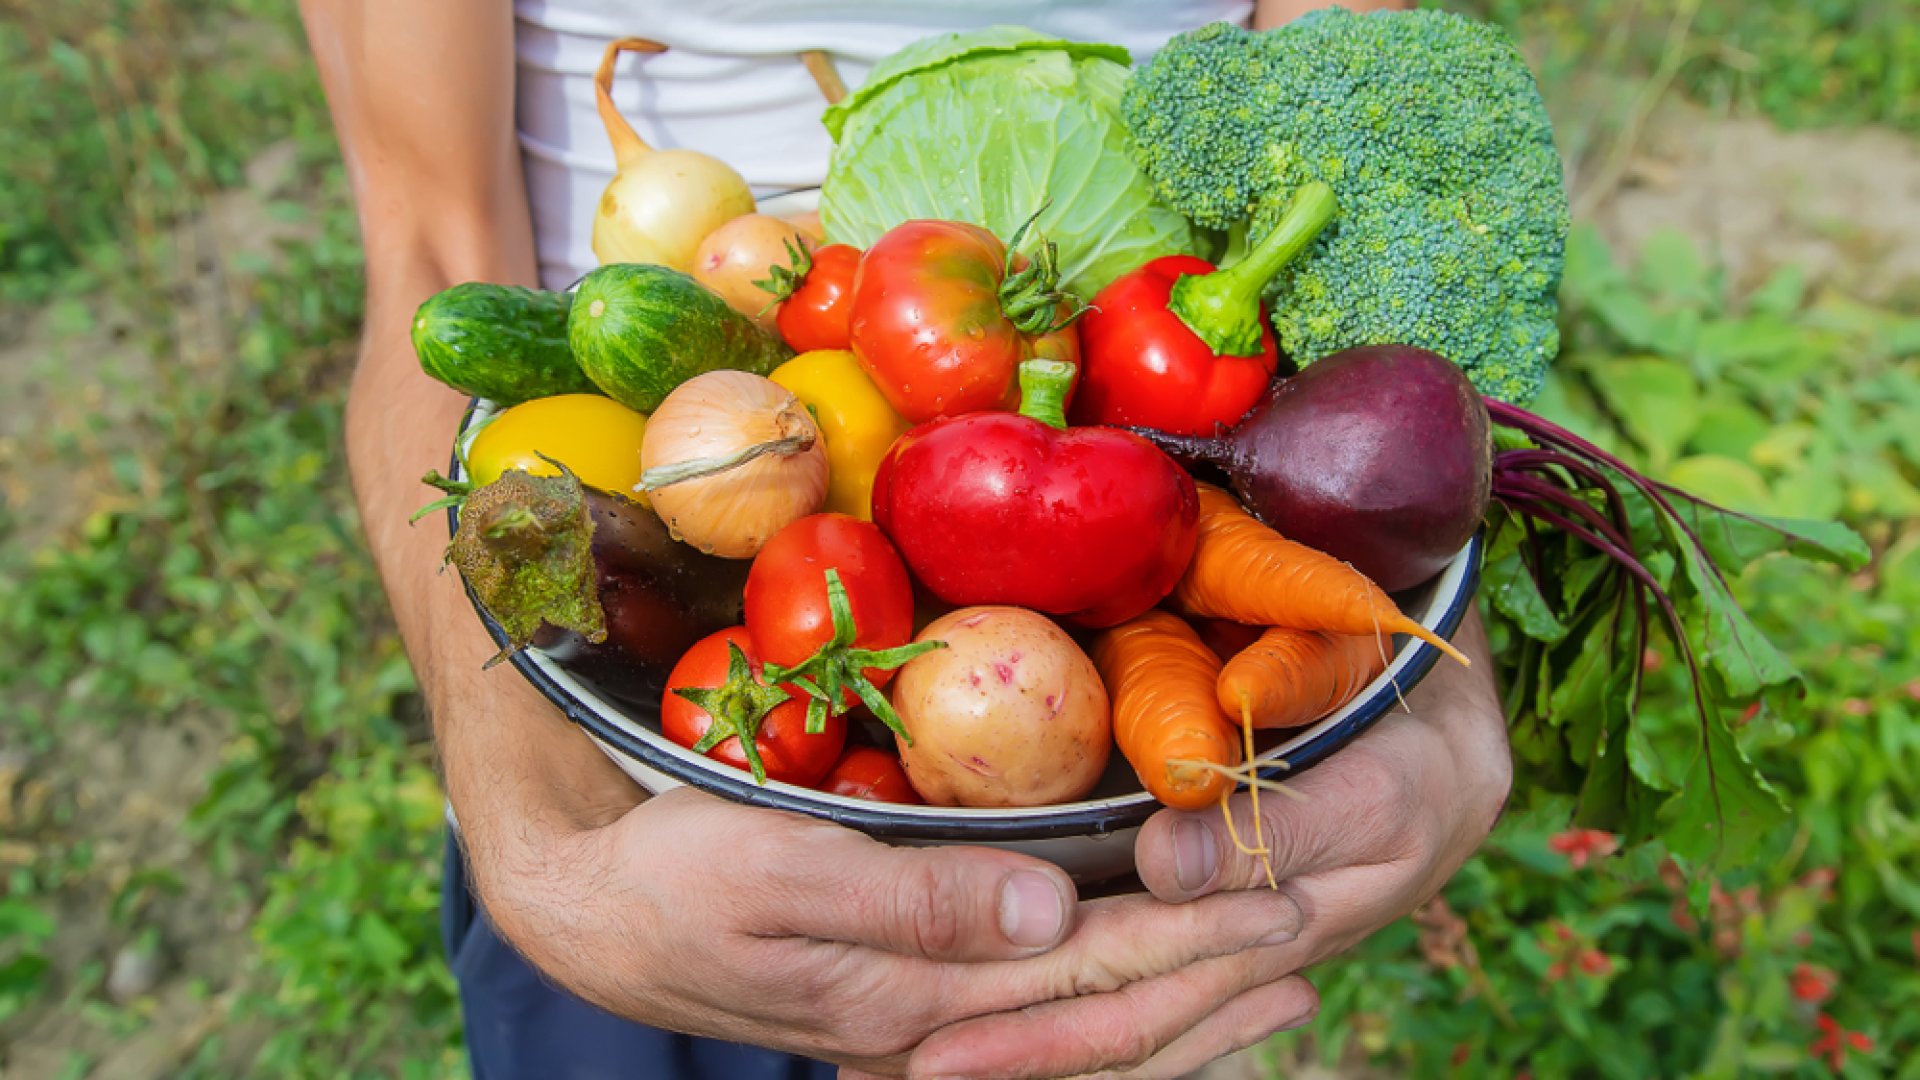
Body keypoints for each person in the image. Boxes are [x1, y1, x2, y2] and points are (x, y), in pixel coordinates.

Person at [299, 0, 1513, 1076]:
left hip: (1110, 828)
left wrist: (1428, 658)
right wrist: (530, 827)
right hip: (630, 769)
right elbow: (428, 253)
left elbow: (1360, 183)